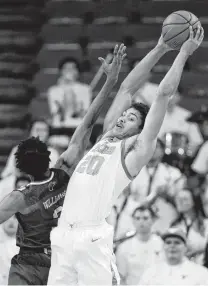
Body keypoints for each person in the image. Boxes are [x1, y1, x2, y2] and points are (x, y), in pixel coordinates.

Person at [48, 26, 204, 285]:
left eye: (130, 118)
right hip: (63, 235)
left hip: (92, 238)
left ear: (140, 130)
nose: (122, 118)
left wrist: (183, 53)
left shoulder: (135, 149)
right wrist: (160, 47)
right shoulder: (107, 137)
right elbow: (126, 90)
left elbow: (163, 95)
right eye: (123, 114)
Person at [0, 44, 126, 285]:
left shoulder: (19, 197)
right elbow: (88, 122)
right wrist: (110, 82)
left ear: (22, 169)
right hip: (57, 261)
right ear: (49, 156)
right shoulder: (64, 168)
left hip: (39, 265)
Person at [109, 139, 183, 239]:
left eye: (156, 147)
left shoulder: (173, 173)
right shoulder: (132, 170)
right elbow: (123, 196)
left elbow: (181, 202)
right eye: (149, 146)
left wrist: (167, 196)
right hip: (136, 214)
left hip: (162, 216)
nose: (152, 149)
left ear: (162, 151)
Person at [139, 228, 208, 285]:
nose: (172, 246)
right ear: (163, 247)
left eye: (177, 242)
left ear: (186, 247)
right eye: (168, 242)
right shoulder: (151, 272)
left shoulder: (200, 273)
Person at [115, 206, 163, 285]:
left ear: (153, 220)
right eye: (137, 218)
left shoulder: (162, 244)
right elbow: (121, 277)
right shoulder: (124, 247)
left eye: (145, 218)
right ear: (133, 221)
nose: (141, 222)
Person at [47, 57, 92, 127]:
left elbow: (83, 113)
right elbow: (56, 114)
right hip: (59, 126)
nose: (69, 71)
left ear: (77, 72)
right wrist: (65, 89)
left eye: (72, 68)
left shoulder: (85, 89)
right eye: (66, 68)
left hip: (79, 125)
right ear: (61, 72)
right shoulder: (53, 90)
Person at [171, 186, 208, 265]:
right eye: (178, 198)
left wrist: (199, 249)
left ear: (194, 202)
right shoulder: (175, 225)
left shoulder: (205, 224)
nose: (179, 201)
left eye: (184, 199)